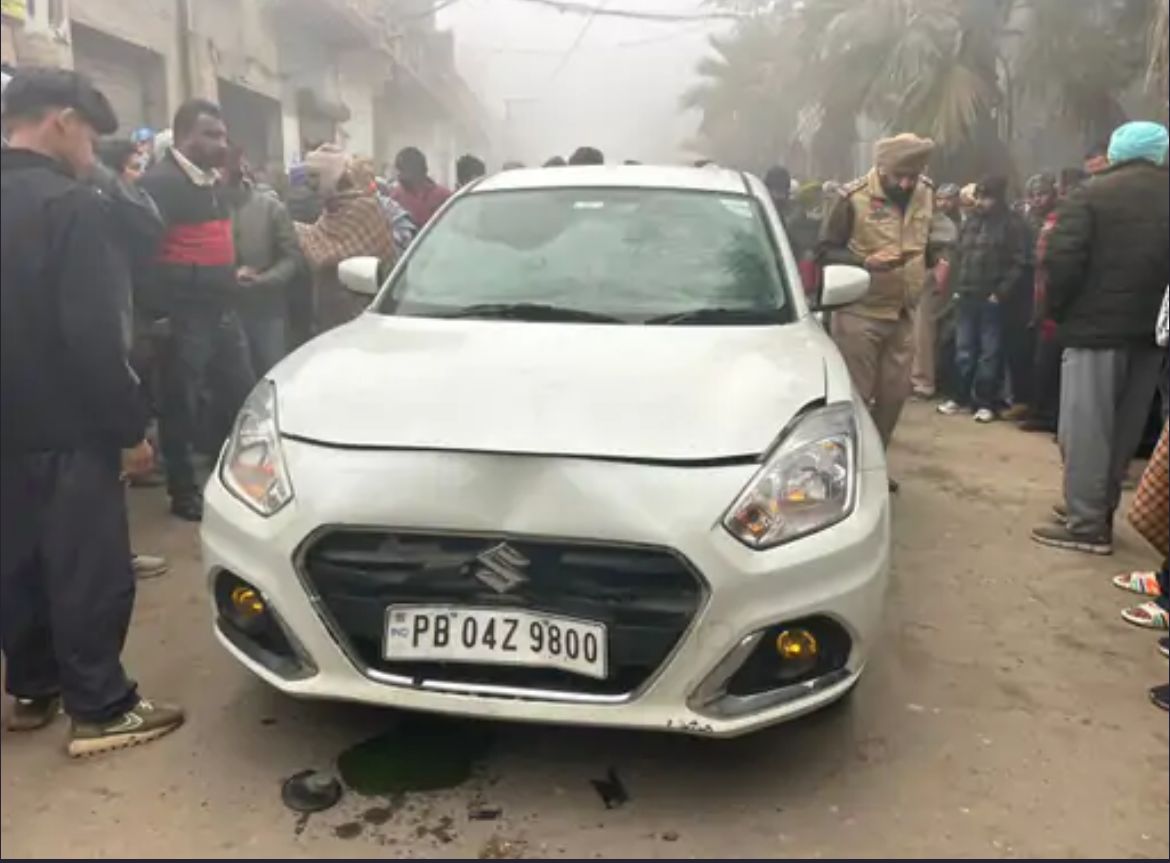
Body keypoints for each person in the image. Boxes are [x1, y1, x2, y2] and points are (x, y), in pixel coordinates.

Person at [1, 67, 184, 754]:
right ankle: (102, 706)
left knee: (15, 560)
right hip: (70, 424)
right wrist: (129, 428)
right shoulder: (70, 207)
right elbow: (93, 334)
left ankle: (33, 686)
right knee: (87, 568)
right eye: (89, 137)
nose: (91, 153)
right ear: (63, 121)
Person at [1030, 121, 1170, 555]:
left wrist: (1058, 312)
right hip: (1151, 335)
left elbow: (1062, 261)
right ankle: (1099, 507)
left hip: (1094, 329)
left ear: (1117, 150)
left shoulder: (1090, 195)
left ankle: (1087, 524)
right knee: (1125, 428)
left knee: (1086, 429)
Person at [138, 98, 257, 522]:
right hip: (184, 314)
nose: (221, 143)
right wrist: (159, 314)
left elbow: (225, 219)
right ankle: (183, 490)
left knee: (241, 394)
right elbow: (144, 256)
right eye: (211, 135)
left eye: (223, 135)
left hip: (222, 309)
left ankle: (237, 478)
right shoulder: (159, 184)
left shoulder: (210, 180)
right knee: (181, 403)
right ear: (184, 136)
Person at [818, 133, 950, 489]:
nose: (906, 184)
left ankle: (872, 466)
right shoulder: (852, 198)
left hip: (904, 311)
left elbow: (932, 235)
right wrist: (864, 262)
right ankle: (843, 474)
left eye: (913, 176)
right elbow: (825, 250)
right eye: (899, 177)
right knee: (856, 399)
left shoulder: (925, 192)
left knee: (894, 397)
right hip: (860, 311)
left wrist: (939, 257)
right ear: (881, 168)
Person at [936, 176, 1030, 423]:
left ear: (998, 198)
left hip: (993, 299)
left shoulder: (1013, 224)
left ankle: (986, 402)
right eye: (978, 196)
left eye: (986, 197)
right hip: (966, 294)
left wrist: (1000, 292)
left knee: (990, 353)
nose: (980, 202)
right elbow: (958, 255)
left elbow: (1019, 262)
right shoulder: (970, 222)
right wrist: (956, 287)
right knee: (963, 351)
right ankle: (959, 397)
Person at [295, 144, 396, 332]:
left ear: (332, 178)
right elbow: (320, 238)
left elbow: (325, 255)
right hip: (330, 313)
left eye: (315, 176)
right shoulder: (331, 209)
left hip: (363, 312)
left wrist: (296, 230)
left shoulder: (365, 208)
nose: (309, 183)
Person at [222, 145, 302, 375]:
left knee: (273, 373)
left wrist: (265, 279)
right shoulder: (205, 208)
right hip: (223, 312)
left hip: (266, 310)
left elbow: (292, 258)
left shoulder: (271, 208)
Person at [1018, 173, 1063, 433]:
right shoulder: (1027, 221)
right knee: (1031, 357)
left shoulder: (1058, 221)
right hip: (1029, 295)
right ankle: (1033, 406)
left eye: (1042, 194)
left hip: (1051, 296)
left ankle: (1047, 413)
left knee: (1047, 359)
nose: (1038, 200)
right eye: (1033, 195)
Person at [911, 182, 961, 399]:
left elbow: (944, 255)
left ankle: (924, 381)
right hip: (913, 278)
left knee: (925, 331)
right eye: (940, 199)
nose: (943, 203)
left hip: (935, 278)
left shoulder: (940, 222)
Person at [390, 146, 451, 228]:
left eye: (402, 169)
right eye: (398, 169)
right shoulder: (395, 197)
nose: (398, 174)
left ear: (417, 170)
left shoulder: (444, 196)